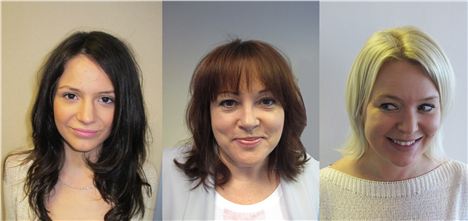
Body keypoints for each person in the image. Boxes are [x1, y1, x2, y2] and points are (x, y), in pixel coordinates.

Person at [156, 39, 319, 220]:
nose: (249, 122)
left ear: (287, 110)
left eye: (267, 101)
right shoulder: (164, 174)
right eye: (229, 102)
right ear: (206, 113)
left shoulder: (317, 179)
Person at [3, 31, 157, 220]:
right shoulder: (16, 172)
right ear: (50, 99)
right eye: (71, 96)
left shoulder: (143, 178)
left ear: (125, 107)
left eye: (106, 99)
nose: (86, 116)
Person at [320, 26, 468, 220]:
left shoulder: (462, 187)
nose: (409, 127)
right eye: (389, 106)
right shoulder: (320, 192)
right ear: (360, 106)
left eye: (425, 107)